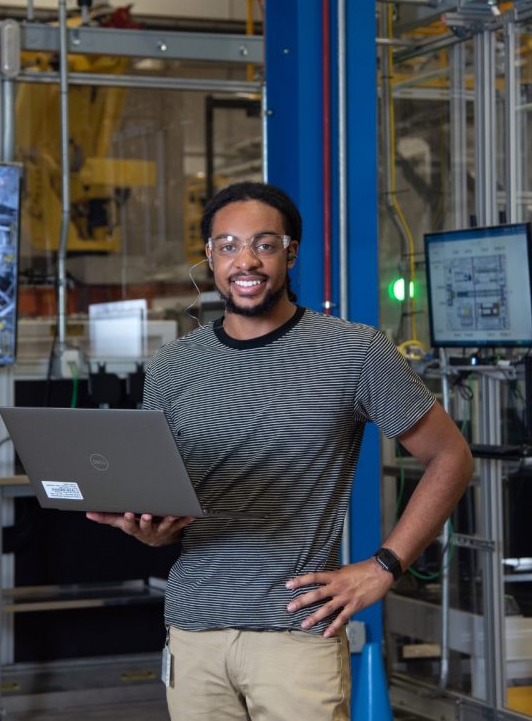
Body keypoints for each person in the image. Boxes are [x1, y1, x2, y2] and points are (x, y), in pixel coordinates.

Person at [87, 181, 472, 720]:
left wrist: (384, 566)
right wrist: (150, 529)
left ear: (290, 252)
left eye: (264, 245)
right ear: (210, 257)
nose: (245, 261)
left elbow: (451, 457)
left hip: (296, 637)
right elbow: (169, 498)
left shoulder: (354, 350)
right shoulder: (173, 364)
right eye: (228, 246)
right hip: (193, 631)